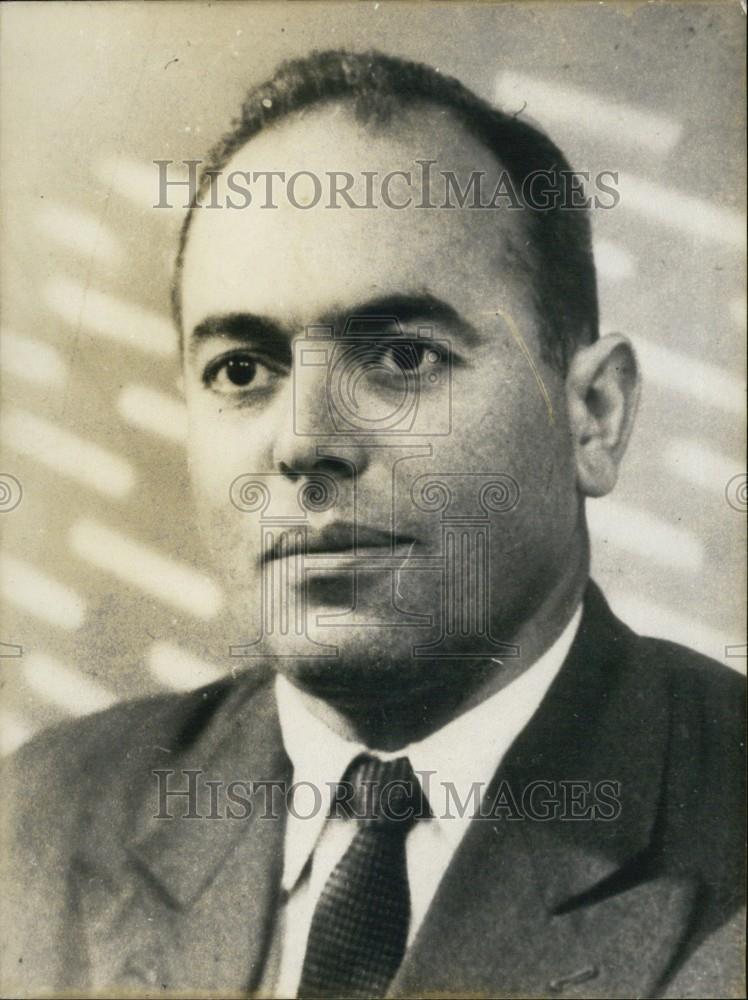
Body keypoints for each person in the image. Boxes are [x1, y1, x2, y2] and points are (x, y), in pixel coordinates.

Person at [1, 49, 744, 999]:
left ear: (593, 415)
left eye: (401, 357)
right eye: (242, 370)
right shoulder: (40, 823)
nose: (305, 441)